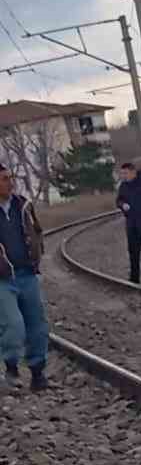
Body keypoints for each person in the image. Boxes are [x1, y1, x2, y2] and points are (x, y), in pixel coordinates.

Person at [0, 164, 49, 392]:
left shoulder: (24, 205)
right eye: (4, 179)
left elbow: (37, 231)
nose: (10, 182)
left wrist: (38, 254)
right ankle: (11, 367)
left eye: (10, 177)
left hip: (27, 274)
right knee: (13, 324)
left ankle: (38, 373)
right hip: (2, 279)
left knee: (37, 324)